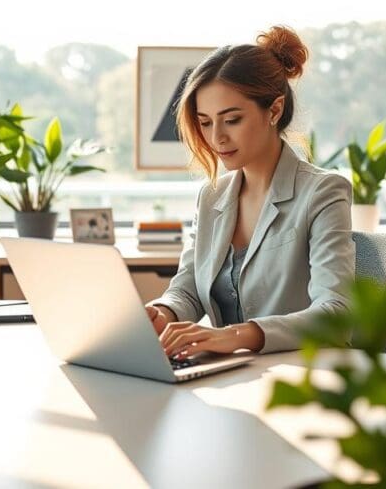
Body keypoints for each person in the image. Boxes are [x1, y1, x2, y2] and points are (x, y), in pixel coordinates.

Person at [146, 26, 355, 358]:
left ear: (273, 111)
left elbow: (337, 312)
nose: (217, 139)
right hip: (233, 373)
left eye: (232, 120)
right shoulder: (212, 195)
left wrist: (238, 336)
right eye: (205, 122)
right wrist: (162, 312)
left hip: (300, 373)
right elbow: (188, 290)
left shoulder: (323, 192)